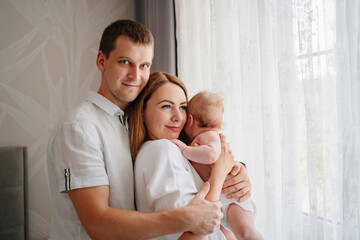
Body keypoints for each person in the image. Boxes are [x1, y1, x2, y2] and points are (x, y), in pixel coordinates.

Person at [47, 19, 251, 240]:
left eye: (144, 65)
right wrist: (187, 218)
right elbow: (98, 224)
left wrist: (237, 171)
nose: (136, 75)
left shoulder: (135, 126)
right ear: (101, 61)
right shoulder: (80, 128)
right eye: (125, 62)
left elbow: (195, 159)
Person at [128, 72, 236, 239]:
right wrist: (219, 173)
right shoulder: (162, 150)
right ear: (142, 112)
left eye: (182, 107)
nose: (178, 117)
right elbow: (193, 230)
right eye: (166, 106)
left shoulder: (177, 150)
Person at [172, 91, 263, 240]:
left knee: (247, 234)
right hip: (224, 201)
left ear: (190, 120)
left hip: (233, 199)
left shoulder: (209, 136)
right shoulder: (204, 137)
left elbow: (212, 155)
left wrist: (185, 150)